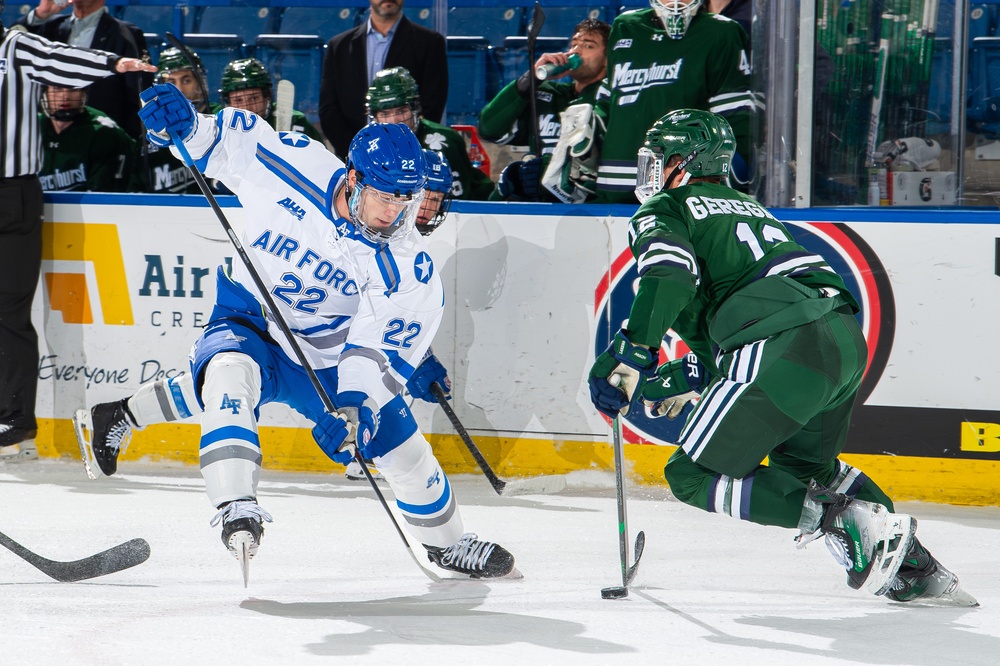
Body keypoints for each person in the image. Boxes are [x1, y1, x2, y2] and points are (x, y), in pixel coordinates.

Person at [76, 82, 515, 582]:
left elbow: (373, 350)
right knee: (228, 376)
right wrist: (184, 127)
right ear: (352, 179)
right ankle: (236, 506)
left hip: (327, 355)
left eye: (404, 200)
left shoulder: (406, 263)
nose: (394, 213)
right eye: (382, 197)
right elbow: (214, 146)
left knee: (404, 453)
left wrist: (354, 408)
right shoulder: (293, 164)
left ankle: (450, 544)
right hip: (252, 318)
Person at [587, 108, 976, 606]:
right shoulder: (752, 210)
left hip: (778, 339)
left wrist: (632, 351)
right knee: (808, 472)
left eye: (658, 159)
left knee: (692, 474)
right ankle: (915, 567)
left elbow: (670, 278)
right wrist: (688, 372)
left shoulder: (667, 207)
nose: (651, 171)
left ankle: (845, 523)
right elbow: (730, 317)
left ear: (683, 163)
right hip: (839, 339)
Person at [0, 10, 156, 460]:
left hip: (11, 194)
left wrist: (113, 64)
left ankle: (13, 419)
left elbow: (59, 58)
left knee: (7, 311)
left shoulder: (14, 45)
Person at [343, 149, 454, 481]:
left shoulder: (406, 239)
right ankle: (364, 450)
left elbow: (396, 313)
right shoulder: (376, 230)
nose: (429, 207)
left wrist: (420, 356)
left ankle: (365, 448)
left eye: (437, 198)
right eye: (426, 197)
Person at [593, 0, 757, 203]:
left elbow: (735, 117)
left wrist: (721, 182)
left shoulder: (721, 31)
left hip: (681, 187)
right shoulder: (625, 26)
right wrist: (587, 129)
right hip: (613, 185)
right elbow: (609, 101)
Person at [478, 18, 609, 202]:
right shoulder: (546, 94)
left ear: (608, 59)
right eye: (574, 44)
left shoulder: (611, 100)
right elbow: (489, 129)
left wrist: (544, 169)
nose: (576, 51)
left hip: (585, 206)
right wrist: (531, 78)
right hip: (538, 208)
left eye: (588, 46)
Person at [319, 0, 448, 158]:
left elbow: (432, 107)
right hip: (353, 160)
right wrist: (358, 154)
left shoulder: (430, 42)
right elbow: (329, 109)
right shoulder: (339, 46)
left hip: (410, 159)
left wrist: (403, 151)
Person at [18, 0, 153, 139]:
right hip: (49, 136)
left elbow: (138, 96)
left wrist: (126, 141)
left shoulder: (125, 33)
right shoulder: (50, 26)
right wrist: (40, 14)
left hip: (102, 136)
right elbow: (11, 45)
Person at [367, 66, 493, 200]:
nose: (394, 121)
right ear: (374, 116)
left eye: (401, 111)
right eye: (385, 114)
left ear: (415, 108)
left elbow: (458, 205)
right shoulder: (369, 146)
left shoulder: (443, 143)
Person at [142, 46, 220, 194]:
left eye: (186, 80)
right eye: (171, 82)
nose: (179, 90)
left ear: (200, 82)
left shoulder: (219, 119)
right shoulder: (153, 128)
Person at [38, 85, 136, 192]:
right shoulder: (31, 128)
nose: (64, 96)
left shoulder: (103, 133)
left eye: (73, 88)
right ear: (45, 92)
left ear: (84, 92)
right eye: (57, 89)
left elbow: (102, 202)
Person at [220, 58, 323, 143]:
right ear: (228, 103)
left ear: (267, 97)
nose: (247, 108)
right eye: (238, 100)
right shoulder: (219, 127)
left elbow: (322, 163)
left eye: (254, 98)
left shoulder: (295, 121)